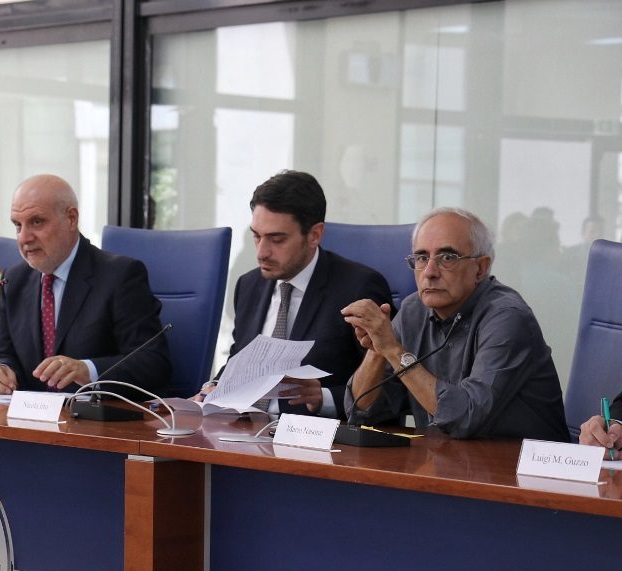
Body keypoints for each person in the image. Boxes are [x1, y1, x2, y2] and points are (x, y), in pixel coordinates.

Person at [342, 207, 568, 440]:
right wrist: (377, 348)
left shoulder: (508, 317)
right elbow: (360, 411)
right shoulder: (412, 310)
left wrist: (392, 349)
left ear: (480, 268)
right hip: (444, 456)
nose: (429, 272)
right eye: (422, 258)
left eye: (447, 258)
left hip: (517, 461)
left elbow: (466, 417)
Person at [197, 170, 392, 419]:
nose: (261, 252)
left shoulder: (357, 288)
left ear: (314, 235)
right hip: (242, 428)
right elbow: (240, 361)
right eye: (256, 236)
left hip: (311, 435)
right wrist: (212, 388)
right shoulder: (249, 285)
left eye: (276, 239)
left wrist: (324, 398)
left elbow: (390, 386)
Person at [0, 174, 170, 395]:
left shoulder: (120, 275)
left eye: (37, 222)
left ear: (71, 219)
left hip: (92, 412)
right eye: (17, 225)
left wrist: (88, 370)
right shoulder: (14, 280)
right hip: (29, 414)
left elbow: (153, 362)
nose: (24, 238)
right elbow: (3, 352)